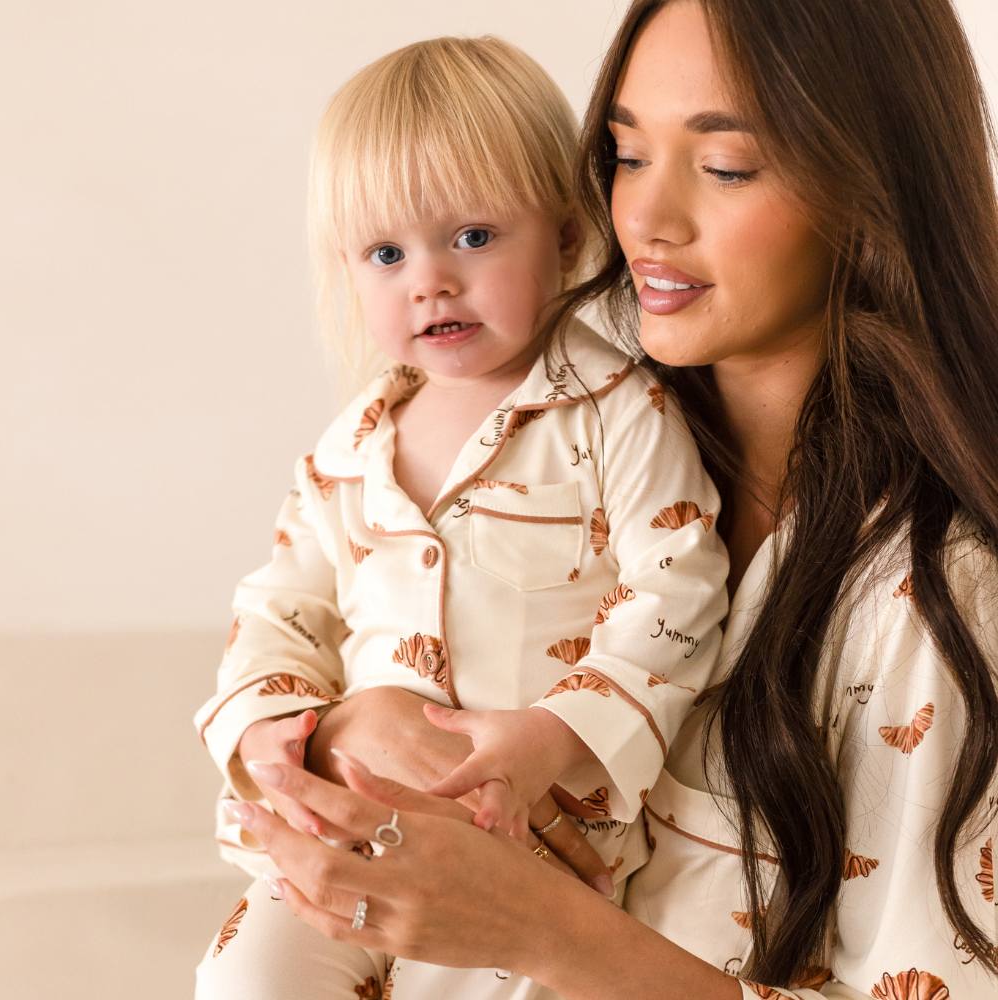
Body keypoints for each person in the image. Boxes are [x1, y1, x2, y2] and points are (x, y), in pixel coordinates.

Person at [223, 0, 998, 997]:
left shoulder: (942, 597)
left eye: (724, 166)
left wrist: (548, 932)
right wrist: (346, 731)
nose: (646, 219)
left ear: (871, 187)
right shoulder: (540, 436)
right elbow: (292, 622)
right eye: (627, 156)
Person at [194, 33, 731, 999]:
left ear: (567, 238)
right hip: (345, 836)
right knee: (245, 980)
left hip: (533, 846)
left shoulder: (617, 413)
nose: (429, 279)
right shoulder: (347, 454)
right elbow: (281, 610)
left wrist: (555, 736)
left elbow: (680, 587)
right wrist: (272, 722)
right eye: (387, 253)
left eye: (473, 237)